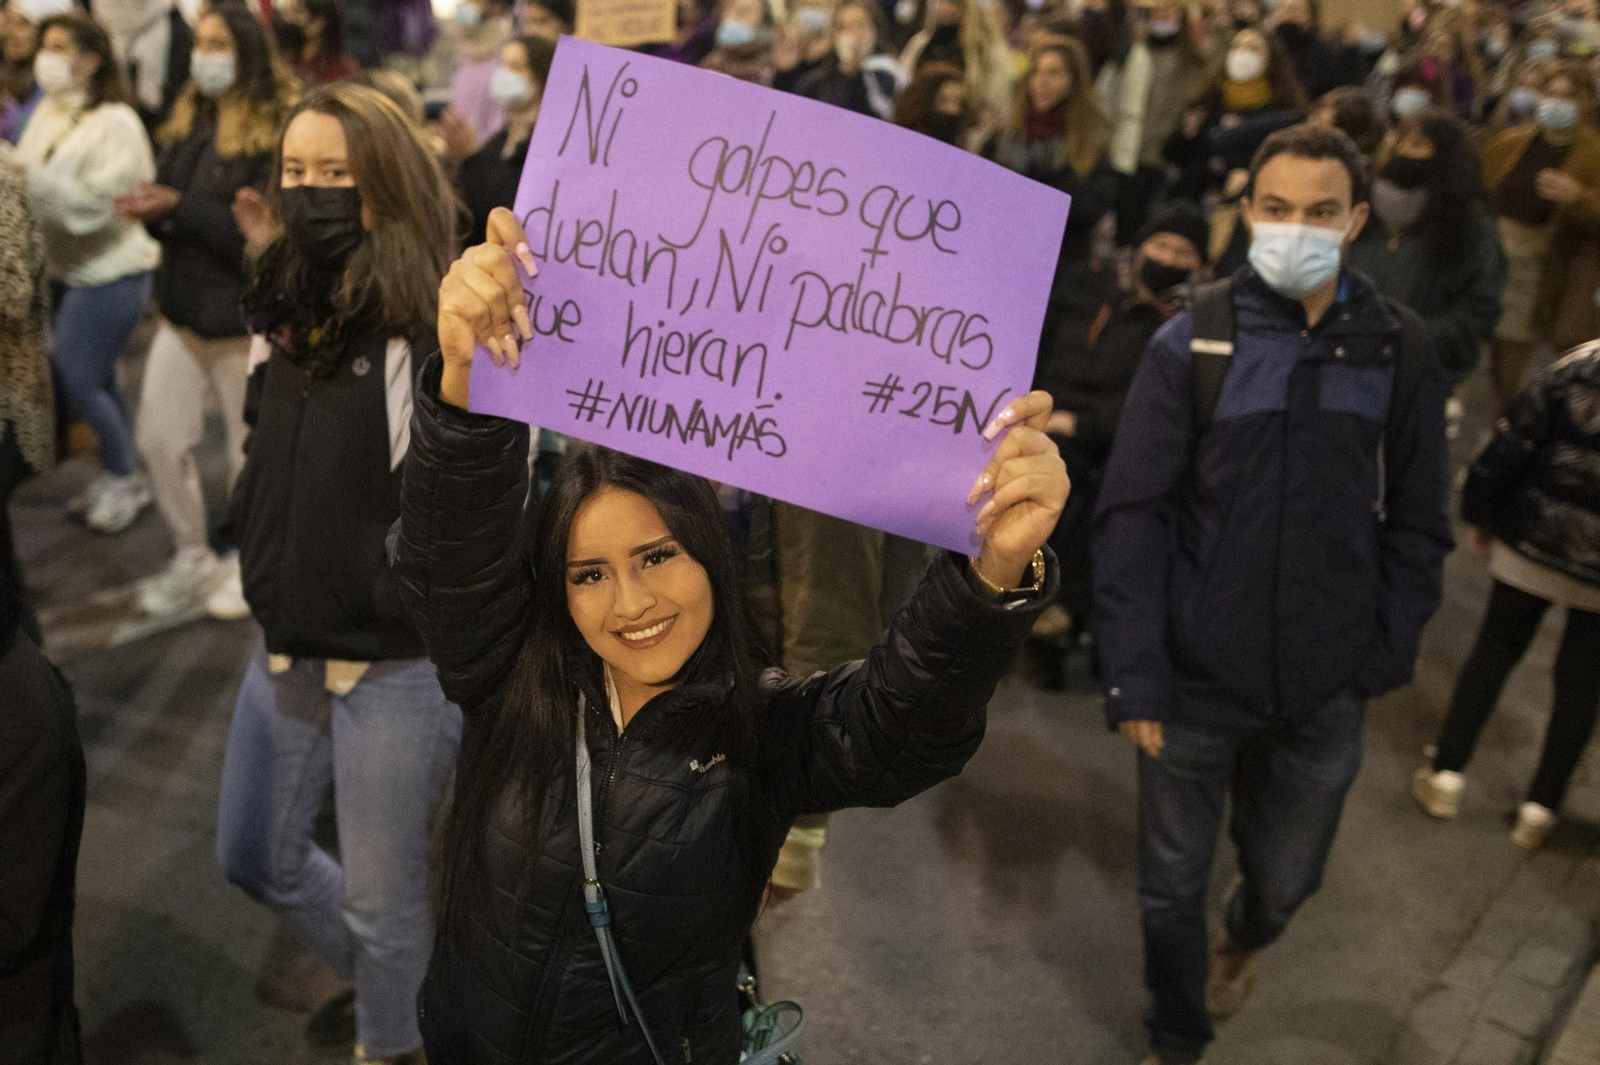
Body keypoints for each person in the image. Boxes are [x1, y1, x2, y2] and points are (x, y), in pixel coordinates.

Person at [389, 203, 1066, 1064]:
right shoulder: (512, 676)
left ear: (710, 553)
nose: (630, 600)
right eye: (589, 573)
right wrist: (462, 381)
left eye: (657, 555)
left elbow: (901, 725)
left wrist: (992, 571)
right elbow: (449, 556)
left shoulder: (764, 725)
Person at [1095, 124, 1452, 1065]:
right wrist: (1134, 673)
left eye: (1321, 213)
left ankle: (1247, 934)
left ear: (1357, 220)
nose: (1297, 228)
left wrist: (1383, 650)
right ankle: (1177, 1031)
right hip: (1192, 682)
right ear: (1248, 213)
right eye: (1278, 209)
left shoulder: (1397, 349)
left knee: (1286, 879)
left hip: (1324, 689)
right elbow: (1133, 515)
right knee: (1169, 885)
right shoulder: (1193, 341)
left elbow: (1420, 522)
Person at [213, 84, 463, 1065]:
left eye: (337, 177)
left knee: (380, 898)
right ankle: (394, 990)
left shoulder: (432, 325)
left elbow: (466, 509)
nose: (311, 193)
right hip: (286, 642)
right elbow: (260, 443)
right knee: (251, 856)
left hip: (395, 665)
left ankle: (392, 1042)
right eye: (297, 173)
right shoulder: (278, 300)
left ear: (387, 185)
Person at [114, 2, 296, 619]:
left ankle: (251, 563)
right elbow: (179, 210)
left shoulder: (273, 133)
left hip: (241, 323)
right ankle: (193, 558)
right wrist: (155, 211)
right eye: (202, 42)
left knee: (250, 459)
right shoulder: (191, 118)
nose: (205, 55)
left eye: (220, 44)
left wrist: (178, 209)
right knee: (160, 441)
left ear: (247, 54)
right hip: (183, 312)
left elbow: (258, 239)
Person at [1411, 341, 1600, 850]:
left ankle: (1446, 774)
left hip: (1530, 539)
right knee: (1582, 685)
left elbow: (1512, 444)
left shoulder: (1575, 366)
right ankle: (1540, 810)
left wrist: (1480, 511)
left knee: (1495, 651)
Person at [1034, 200, 1207, 649]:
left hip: (1107, 439)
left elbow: (1159, 403)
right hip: (1046, 414)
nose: (1167, 260)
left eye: (1183, 253)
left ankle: (1056, 602)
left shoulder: (1189, 325)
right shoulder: (1092, 292)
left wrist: (1081, 423)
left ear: (1199, 265)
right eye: (1161, 245)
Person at [16, 12, 159, 535]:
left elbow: (107, 206)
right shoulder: (52, 110)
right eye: (43, 46)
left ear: (91, 59)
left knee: (76, 380)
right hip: (69, 272)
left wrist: (31, 181)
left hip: (111, 272)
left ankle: (123, 478)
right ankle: (124, 472)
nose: (45, 58)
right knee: (96, 379)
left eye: (57, 46)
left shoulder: (116, 121)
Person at [1347, 109, 1506, 386]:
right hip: (1346, 361)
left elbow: (1479, 308)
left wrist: (1407, 334)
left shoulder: (1468, 225)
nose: (1405, 150)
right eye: (1401, 141)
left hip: (1422, 371)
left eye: (1419, 144)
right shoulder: (1358, 209)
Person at [1481, 61, 1600, 416]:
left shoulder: (1594, 154)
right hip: (1498, 254)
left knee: (1517, 349)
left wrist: (1578, 197)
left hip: (1547, 265)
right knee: (1492, 347)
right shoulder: (1511, 142)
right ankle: (1496, 416)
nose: (1556, 103)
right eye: (1551, 94)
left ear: (1586, 103)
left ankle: (1509, 418)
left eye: (1567, 96)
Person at [989, 38, 1116, 340]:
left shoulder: (1090, 141)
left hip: (1061, 276)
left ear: (1074, 81)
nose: (1041, 83)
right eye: (1035, 72)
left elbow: (1092, 206)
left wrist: (1046, 181)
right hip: (1004, 269)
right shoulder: (1006, 138)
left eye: (1054, 73)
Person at [1095, 2, 1209, 244]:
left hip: (1160, 155)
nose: (1160, 17)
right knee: (1120, 222)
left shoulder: (1191, 60)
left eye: (1167, 11)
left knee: (1144, 225)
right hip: (1125, 150)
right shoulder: (1133, 52)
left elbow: (1188, 104)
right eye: (1156, 12)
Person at [1163, 27, 1306, 201]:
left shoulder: (1281, 109)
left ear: (1269, 59)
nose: (1242, 53)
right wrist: (1186, 135)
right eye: (1236, 46)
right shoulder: (1209, 98)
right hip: (1197, 198)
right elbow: (1172, 154)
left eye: (1252, 48)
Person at [456, 33, 553, 246]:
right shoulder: (503, 137)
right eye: (503, 65)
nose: (504, 75)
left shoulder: (550, 146)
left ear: (542, 77)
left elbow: (507, 204)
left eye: (516, 67)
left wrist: (471, 158)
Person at [899, 0, 1013, 123]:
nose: (945, 8)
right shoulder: (921, 44)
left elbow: (993, 101)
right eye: (941, 2)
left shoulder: (987, 51)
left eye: (953, 3)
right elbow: (904, 85)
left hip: (965, 125)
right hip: (922, 122)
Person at [790, 0, 901, 121]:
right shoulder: (814, 82)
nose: (852, 35)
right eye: (843, 27)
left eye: (859, 25)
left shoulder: (890, 76)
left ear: (875, 31)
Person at [90, 0, 192, 130]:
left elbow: (178, 92)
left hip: (157, 125)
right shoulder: (90, 21)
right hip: (102, 124)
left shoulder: (175, 26)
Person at [438, 0, 513, 147]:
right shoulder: (463, 51)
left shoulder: (505, 54)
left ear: (498, 7)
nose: (468, 3)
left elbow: (498, 124)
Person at [0, 0, 67, 144]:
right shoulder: (5, 66)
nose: (11, 32)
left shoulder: (57, 83)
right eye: (9, 21)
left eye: (23, 24)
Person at [1270, 0, 1357, 101]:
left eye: (1294, 10)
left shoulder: (1325, 54)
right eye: (1281, 9)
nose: (1287, 15)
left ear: (1310, 18)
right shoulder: (1268, 48)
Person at [278, 0, 360, 86]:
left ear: (320, 21)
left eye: (299, 12)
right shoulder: (286, 59)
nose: (292, 18)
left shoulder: (344, 69)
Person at [895, 58, 974, 146]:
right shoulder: (901, 145)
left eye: (958, 102)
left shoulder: (960, 147)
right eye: (943, 101)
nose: (952, 109)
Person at [699, 0, 776, 85]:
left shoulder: (768, 70)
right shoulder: (712, 61)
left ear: (763, 22)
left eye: (744, 11)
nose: (733, 17)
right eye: (730, 9)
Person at [771, 0, 834, 93]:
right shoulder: (788, 59)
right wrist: (785, 72)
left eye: (818, 6)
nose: (812, 11)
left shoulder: (838, 63)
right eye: (807, 5)